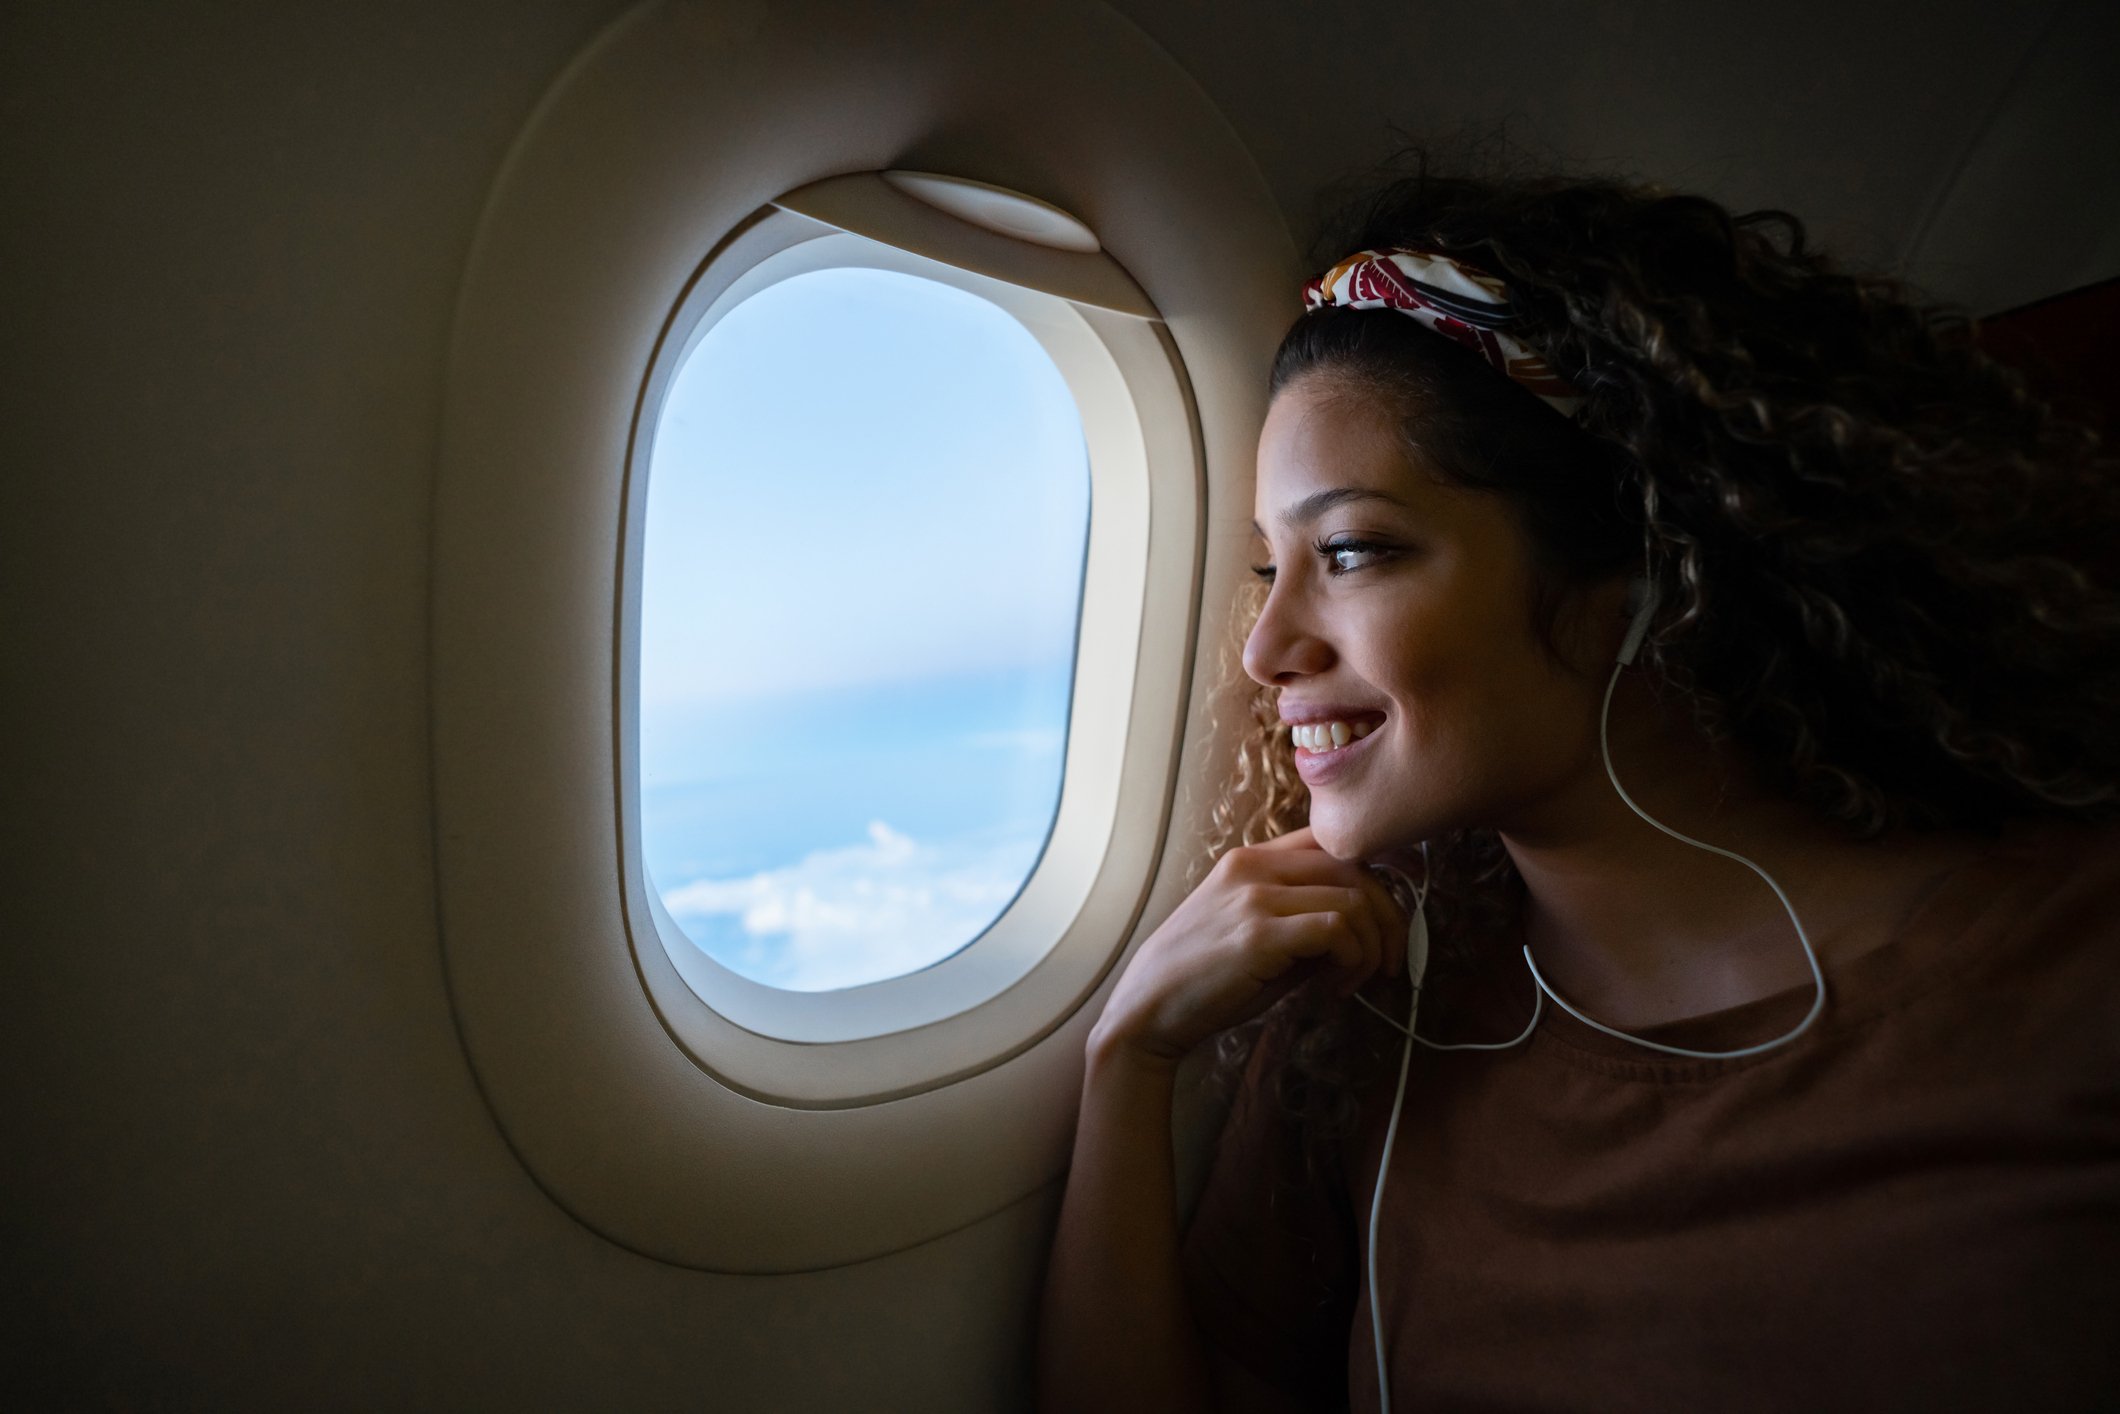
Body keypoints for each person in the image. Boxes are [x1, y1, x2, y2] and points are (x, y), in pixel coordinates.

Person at [1033, 165, 2120, 1414]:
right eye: (1267, 568)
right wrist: (1131, 1056)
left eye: (1349, 552)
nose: (1263, 648)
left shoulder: (2070, 967)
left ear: (1647, 566)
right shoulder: (1370, 1009)